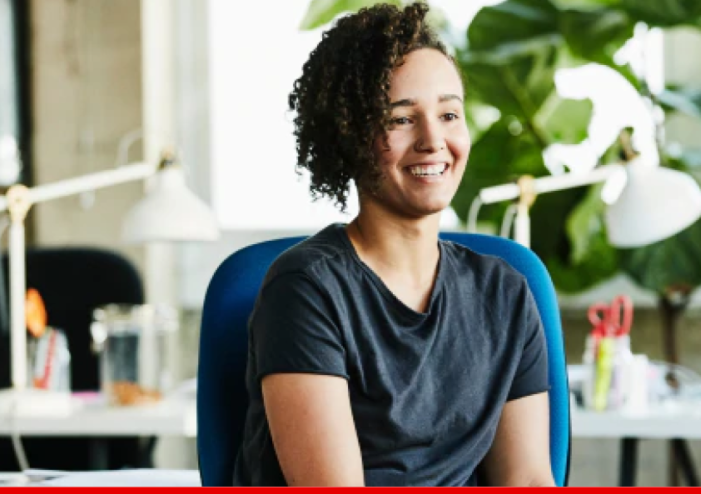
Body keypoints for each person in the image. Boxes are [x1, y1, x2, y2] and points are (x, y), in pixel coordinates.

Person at [233, 2, 554, 487]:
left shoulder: (504, 294)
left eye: (449, 114)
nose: (433, 140)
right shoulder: (306, 290)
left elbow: (528, 480)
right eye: (401, 119)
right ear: (351, 137)